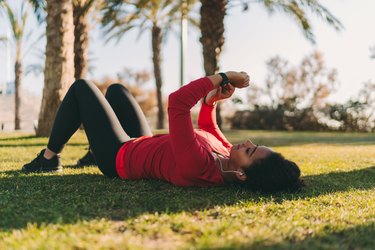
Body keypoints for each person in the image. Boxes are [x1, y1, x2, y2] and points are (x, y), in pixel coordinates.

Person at [22, 71, 303, 192]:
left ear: (241, 175)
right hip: (141, 142)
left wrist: (224, 76)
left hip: (120, 157)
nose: (247, 143)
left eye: (251, 151)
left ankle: (49, 159)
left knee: (82, 88)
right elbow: (207, 127)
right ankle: (93, 152)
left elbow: (178, 103)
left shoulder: (199, 166)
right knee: (117, 91)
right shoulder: (226, 156)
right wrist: (211, 102)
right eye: (254, 144)